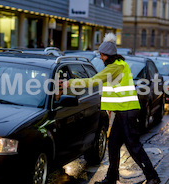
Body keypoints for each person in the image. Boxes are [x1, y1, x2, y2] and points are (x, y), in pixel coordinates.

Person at [61, 33, 160, 184]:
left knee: (133, 146)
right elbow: (113, 89)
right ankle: (111, 178)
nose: (100, 58)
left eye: (102, 55)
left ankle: (152, 177)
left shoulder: (115, 67)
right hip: (122, 112)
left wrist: (70, 84)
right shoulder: (119, 65)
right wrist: (110, 108)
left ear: (108, 55)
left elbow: (94, 81)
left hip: (127, 112)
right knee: (113, 144)